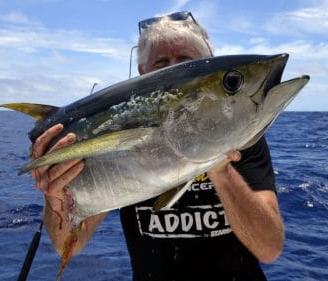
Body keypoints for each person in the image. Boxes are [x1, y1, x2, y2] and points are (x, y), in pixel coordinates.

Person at [30, 11, 284, 281]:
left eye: (185, 62)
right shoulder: (117, 126)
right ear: (143, 74)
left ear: (205, 64)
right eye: (162, 62)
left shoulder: (244, 139)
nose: (171, 70)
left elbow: (269, 249)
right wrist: (56, 196)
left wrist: (219, 167)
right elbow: (67, 243)